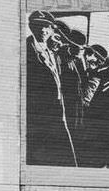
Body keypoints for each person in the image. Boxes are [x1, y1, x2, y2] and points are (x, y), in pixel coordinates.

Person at [26, 11, 78, 167]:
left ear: (52, 29)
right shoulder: (25, 50)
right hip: (38, 114)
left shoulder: (53, 54)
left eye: (46, 27)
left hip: (57, 111)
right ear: (30, 26)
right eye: (38, 26)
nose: (43, 31)